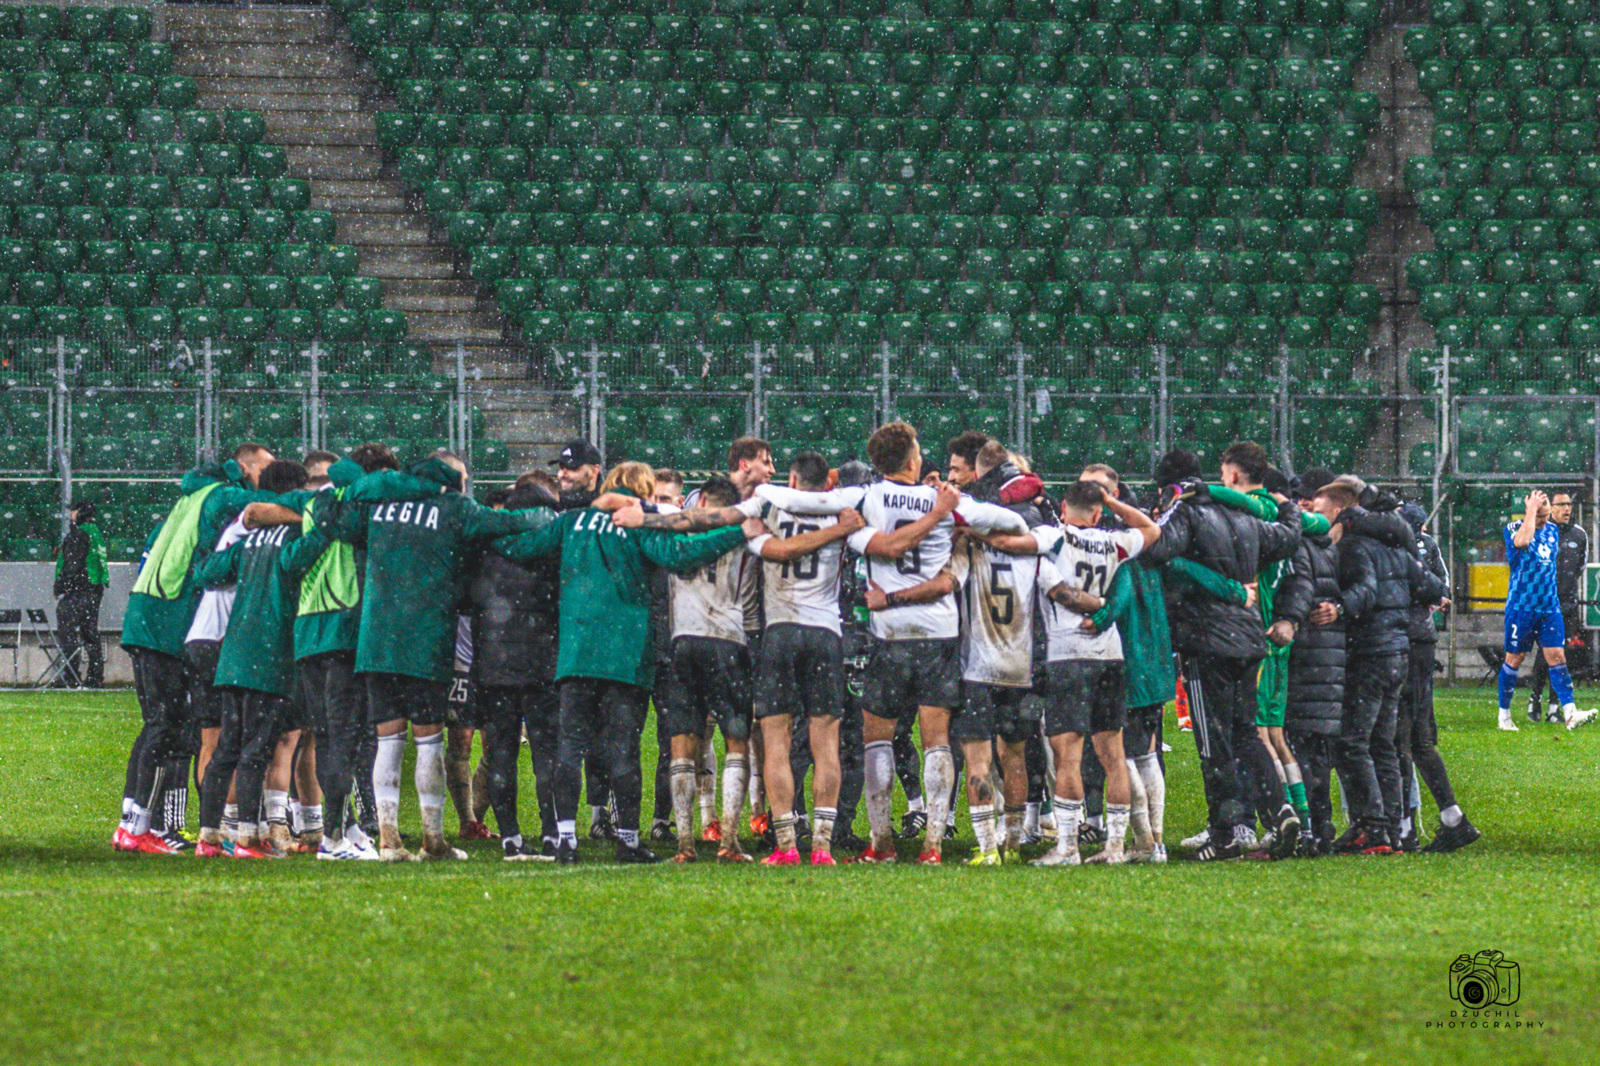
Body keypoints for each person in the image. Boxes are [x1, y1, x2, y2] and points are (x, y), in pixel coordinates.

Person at [751, 421, 1029, 863]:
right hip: (938, 631)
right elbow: (1012, 519)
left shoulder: (865, 496)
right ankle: (933, 845)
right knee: (936, 739)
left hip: (889, 631)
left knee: (875, 737)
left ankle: (881, 843)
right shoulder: (945, 500)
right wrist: (961, 519)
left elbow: (806, 499)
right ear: (914, 460)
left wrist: (758, 494)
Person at [497, 461, 764, 864]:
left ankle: (566, 838)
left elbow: (522, 548)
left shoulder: (572, 522)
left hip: (578, 651)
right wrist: (736, 532)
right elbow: (682, 555)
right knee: (623, 748)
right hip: (626, 653)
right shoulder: (637, 525)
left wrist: (498, 526)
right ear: (641, 491)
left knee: (569, 747)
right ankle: (627, 839)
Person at [319, 450, 555, 862]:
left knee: (387, 740)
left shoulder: (381, 506)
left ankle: (390, 841)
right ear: (450, 480)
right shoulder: (453, 508)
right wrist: (555, 515)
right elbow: (510, 522)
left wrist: (347, 485)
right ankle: (433, 839)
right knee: (429, 741)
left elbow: (330, 517)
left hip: (377, 640)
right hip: (426, 639)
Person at [114, 443, 286, 855]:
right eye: (266, 468)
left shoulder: (191, 497)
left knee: (158, 725)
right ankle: (139, 828)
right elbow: (259, 510)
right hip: (169, 621)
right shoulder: (224, 496)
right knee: (169, 728)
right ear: (245, 469)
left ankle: (132, 823)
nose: (269, 476)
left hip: (149, 617)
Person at [1139, 444, 1304, 861]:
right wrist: (1288, 507)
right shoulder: (1246, 516)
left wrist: (1210, 581)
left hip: (1206, 640)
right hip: (1249, 640)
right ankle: (1280, 809)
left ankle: (1225, 832)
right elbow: (1286, 540)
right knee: (1245, 733)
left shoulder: (1187, 509)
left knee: (1213, 744)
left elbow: (1158, 553)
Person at [193, 459, 323, 858]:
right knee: (257, 749)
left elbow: (209, 570)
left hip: (233, 652)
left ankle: (208, 836)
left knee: (229, 746)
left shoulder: (250, 537)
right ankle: (249, 837)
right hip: (269, 653)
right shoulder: (293, 537)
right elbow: (297, 560)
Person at [1310, 482, 1448, 854]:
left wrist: (1339, 607)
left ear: (1339, 512)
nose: (1317, 520)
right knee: (1383, 744)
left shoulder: (1353, 546)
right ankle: (1391, 828)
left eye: (1321, 513)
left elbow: (1366, 591)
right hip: (1399, 654)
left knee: (1352, 743)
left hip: (1369, 653)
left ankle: (1370, 827)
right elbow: (1433, 586)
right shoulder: (1392, 544)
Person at [741, 453, 864, 865]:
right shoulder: (842, 512)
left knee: (776, 743)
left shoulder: (769, 504)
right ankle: (823, 847)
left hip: (780, 631)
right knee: (826, 743)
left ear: (792, 477)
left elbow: (774, 550)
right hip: (826, 632)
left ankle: (787, 846)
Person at [472, 480, 564, 861]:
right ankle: (550, 832)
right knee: (546, 752)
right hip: (542, 662)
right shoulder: (553, 547)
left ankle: (510, 835)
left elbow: (469, 601)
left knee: (501, 752)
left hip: (495, 665)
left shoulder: (486, 548)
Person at [292, 456, 377, 860]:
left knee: (326, 735)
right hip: (343, 630)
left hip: (308, 632)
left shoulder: (310, 508)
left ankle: (348, 828)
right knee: (347, 736)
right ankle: (332, 838)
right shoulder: (358, 512)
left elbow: (291, 562)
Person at [1395, 503, 1480, 854]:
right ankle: (1450, 818)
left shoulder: (1401, 551)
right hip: (1420, 641)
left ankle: (1402, 828)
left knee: (1398, 738)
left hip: (1405, 642)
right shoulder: (1419, 549)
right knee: (1416, 740)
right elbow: (1439, 589)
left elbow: (1437, 589)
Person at [1495, 490, 1596, 732]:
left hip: (1550, 607)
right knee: (1515, 658)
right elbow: (1522, 543)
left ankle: (1570, 713)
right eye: (1538, 515)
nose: (1542, 520)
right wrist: (1531, 511)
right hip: (1522, 607)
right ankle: (1504, 716)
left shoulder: (1552, 531)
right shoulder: (1514, 529)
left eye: (1544, 515)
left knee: (1558, 657)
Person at [1527, 491, 1590, 722]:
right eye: (1561, 504)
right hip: (1542, 602)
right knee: (1546, 653)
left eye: (1569, 504)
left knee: (1559, 654)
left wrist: (1566, 589)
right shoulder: (1541, 531)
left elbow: (1580, 567)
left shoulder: (1579, 534)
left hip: (1566, 604)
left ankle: (1552, 705)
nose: (1567, 509)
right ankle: (1537, 696)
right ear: (1550, 507)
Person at [54, 500, 109, 688]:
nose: (71, 515)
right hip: (94, 589)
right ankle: (95, 678)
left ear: (80, 513)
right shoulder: (96, 533)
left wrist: (60, 586)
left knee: (67, 630)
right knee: (90, 633)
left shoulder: (80, 534)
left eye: (74, 511)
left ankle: (70, 676)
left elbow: (72, 564)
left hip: (80, 589)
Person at [549, 439, 604, 507]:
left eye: (572, 467)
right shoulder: (550, 506)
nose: (562, 475)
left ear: (594, 471)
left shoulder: (610, 508)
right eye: (561, 467)